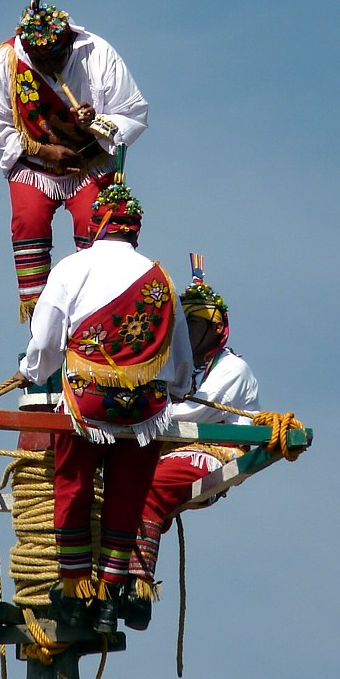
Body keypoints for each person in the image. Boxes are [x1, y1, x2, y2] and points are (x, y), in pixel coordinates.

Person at [15, 169, 191, 634]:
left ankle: (75, 591)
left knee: (71, 488)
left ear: (96, 225)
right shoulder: (162, 280)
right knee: (126, 499)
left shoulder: (73, 268)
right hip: (145, 415)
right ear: (135, 229)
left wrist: (31, 372)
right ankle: (111, 594)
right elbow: (181, 370)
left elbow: (46, 341)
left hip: (86, 408)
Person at [0, 0, 148, 322]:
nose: (49, 67)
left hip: (90, 164)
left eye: (55, 60)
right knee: (29, 222)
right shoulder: (8, 60)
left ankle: (95, 313)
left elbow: (132, 113)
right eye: (40, 61)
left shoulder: (98, 54)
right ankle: (43, 323)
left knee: (97, 228)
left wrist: (96, 122)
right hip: (35, 164)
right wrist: (45, 150)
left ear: (67, 44)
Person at [122, 255, 261, 630]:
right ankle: (106, 581)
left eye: (195, 326)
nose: (188, 335)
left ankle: (138, 587)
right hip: (172, 448)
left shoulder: (233, 369)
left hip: (215, 454)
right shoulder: (178, 370)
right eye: (184, 327)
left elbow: (191, 416)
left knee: (149, 487)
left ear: (217, 330)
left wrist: (135, 412)